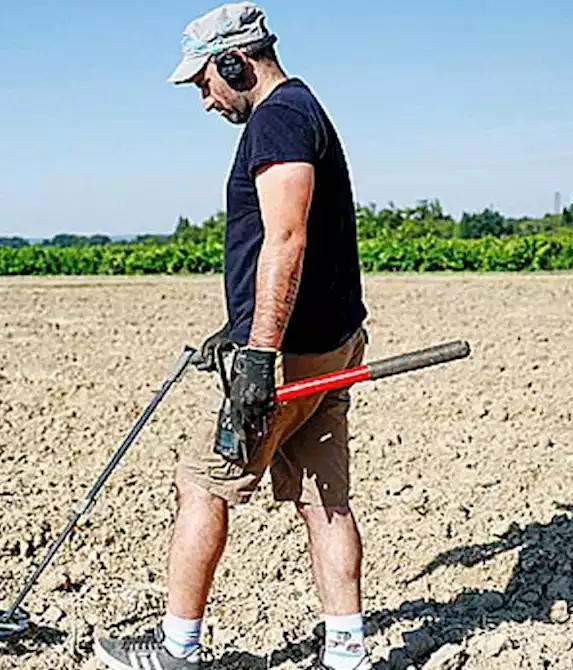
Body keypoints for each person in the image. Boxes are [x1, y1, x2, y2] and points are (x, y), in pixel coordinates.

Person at [93, 3, 371, 669]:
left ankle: (177, 651)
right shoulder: (302, 109)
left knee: (201, 483)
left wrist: (257, 354)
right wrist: (238, 321)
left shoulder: (276, 121)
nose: (205, 100)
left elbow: (287, 237)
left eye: (203, 84)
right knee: (323, 498)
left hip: (289, 357)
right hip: (328, 343)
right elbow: (289, 247)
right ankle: (347, 654)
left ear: (231, 62)